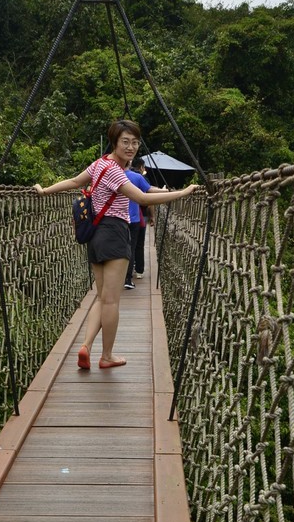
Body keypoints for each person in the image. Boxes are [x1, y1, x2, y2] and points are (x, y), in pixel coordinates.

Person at [33, 118, 198, 370]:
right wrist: (183, 193)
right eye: (125, 142)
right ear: (114, 142)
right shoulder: (114, 171)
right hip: (114, 232)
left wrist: (45, 190)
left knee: (102, 297)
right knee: (111, 300)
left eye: (134, 142)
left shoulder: (100, 164)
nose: (131, 147)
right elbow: (142, 197)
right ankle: (107, 355)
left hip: (96, 236)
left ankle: (86, 346)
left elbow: (75, 182)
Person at [124, 157, 166, 289]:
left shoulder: (112, 174)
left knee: (120, 247)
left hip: (115, 220)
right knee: (133, 247)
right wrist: (166, 191)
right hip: (135, 219)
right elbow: (148, 195)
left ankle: (115, 277)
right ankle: (128, 278)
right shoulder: (137, 178)